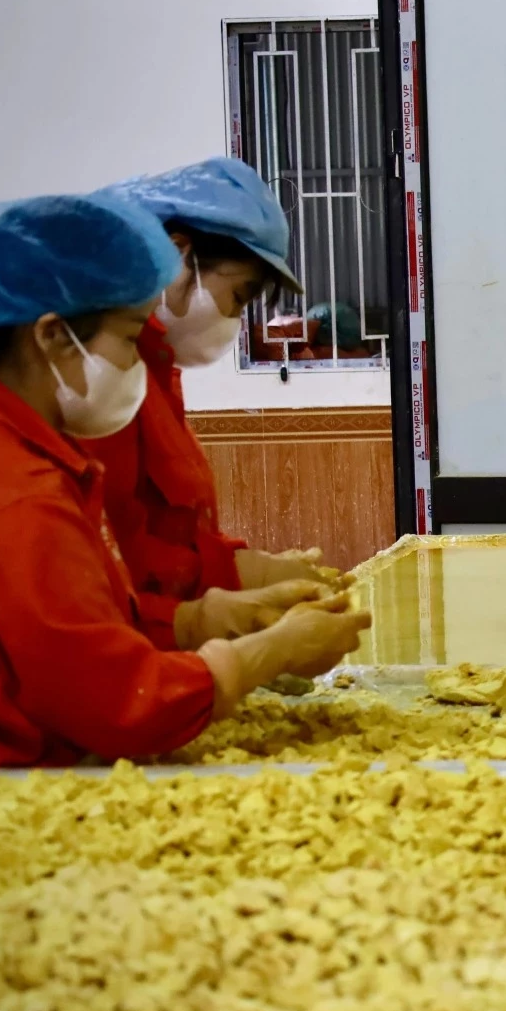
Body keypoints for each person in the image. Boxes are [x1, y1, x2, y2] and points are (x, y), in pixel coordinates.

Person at [0, 194, 371, 821]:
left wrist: (213, 618)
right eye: (131, 338)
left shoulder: (25, 451)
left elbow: (83, 630)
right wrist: (270, 653)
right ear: (55, 337)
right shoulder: (11, 493)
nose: (138, 363)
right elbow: (119, 702)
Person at [87, 158, 349, 653]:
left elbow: (169, 527)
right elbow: (108, 566)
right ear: (174, 254)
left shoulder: (153, 373)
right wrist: (236, 594)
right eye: (239, 296)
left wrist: (247, 573)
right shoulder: (99, 378)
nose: (234, 318)